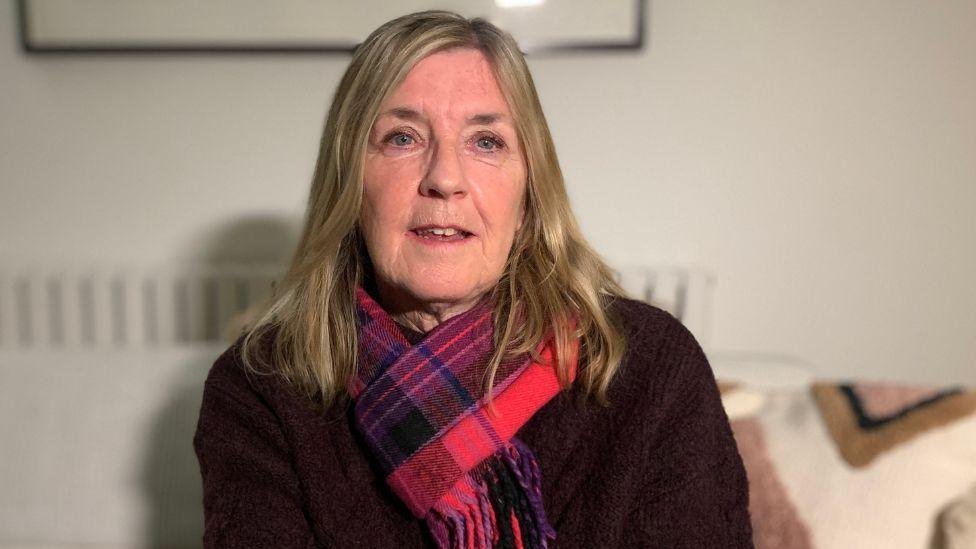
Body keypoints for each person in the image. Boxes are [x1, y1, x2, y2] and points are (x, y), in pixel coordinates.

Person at [193, 10, 753, 549]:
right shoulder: (259, 389)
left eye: (486, 142)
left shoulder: (650, 366)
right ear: (349, 179)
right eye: (403, 138)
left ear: (530, 191)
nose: (444, 179)